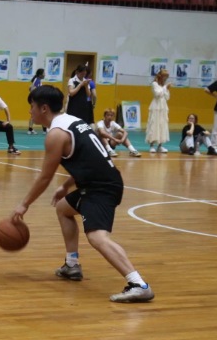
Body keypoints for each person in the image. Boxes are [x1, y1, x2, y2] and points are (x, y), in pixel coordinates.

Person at [13, 85, 153, 303]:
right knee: (63, 209)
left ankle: (138, 284)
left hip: (101, 188)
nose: (30, 111)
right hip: (101, 181)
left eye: (32, 106)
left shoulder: (56, 134)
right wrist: (66, 185)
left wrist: (24, 204)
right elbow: (92, 158)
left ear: (44, 108)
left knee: (97, 237)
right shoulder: (74, 121)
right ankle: (72, 264)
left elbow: (45, 177)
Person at [146, 68, 171, 153]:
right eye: (164, 76)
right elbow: (157, 94)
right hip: (156, 106)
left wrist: (167, 89)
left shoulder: (164, 86)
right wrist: (165, 88)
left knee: (162, 125)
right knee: (154, 124)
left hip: (163, 107)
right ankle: (152, 145)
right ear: (160, 76)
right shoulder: (154, 84)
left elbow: (167, 97)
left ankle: (160, 146)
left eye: (166, 77)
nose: (165, 78)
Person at [28, 67, 45, 134]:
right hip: (35, 100)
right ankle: (31, 129)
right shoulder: (37, 80)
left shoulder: (38, 80)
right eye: (44, 73)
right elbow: (33, 89)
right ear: (40, 75)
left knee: (40, 113)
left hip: (36, 100)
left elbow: (30, 88)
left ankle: (31, 129)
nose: (44, 74)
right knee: (37, 113)